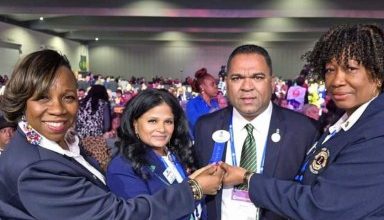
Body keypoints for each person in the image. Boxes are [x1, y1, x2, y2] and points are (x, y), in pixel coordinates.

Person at [0, 49, 224, 220]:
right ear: (22, 100)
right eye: (43, 98)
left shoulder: (61, 143)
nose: (58, 109)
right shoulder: (34, 169)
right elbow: (118, 215)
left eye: (68, 97)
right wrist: (194, 189)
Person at [221, 24, 384, 219]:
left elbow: (320, 207)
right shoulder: (349, 121)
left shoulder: (377, 131)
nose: (337, 80)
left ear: (378, 75)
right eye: (330, 70)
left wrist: (247, 179)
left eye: (350, 68)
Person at [193, 44, 319, 220]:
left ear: (272, 82)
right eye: (237, 78)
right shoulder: (205, 127)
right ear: (227, 82)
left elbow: (309, 197)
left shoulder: (302, 130)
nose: (247, 86)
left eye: (257, 77)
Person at [107, 89, 202, 219]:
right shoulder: (122, 167)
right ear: (135, 124)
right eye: (152, 121)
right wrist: (197, 189)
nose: (162, 129)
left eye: (168, 121)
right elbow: (142, 216)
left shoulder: (173, 154)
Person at [186, 68, 219, 136]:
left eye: (216, 84)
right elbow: (198, 126)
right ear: (202, 87)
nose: (216, 87)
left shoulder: (215, 103)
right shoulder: (192, 104)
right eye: (212, 84)